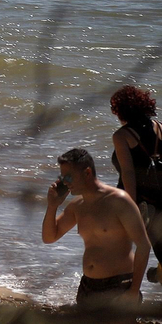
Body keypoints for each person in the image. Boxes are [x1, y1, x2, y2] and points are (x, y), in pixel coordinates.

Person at [43, 147, 150, 305]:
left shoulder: (119, 201)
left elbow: (143, 245)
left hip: (118, 286)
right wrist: (52, 206)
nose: (65, 182)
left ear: (87, 173)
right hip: (87, 287)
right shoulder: (77, 206)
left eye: (69, 177)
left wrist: (134, 291)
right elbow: (49, 237)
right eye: (62, 177)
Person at [110, 86, 162, 279]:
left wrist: (130, 206)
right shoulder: (160, 126)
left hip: (136, 199)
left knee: (119, 245)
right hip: (159, 198)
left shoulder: (122, 136)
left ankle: (119, 287)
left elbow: (129, 173)